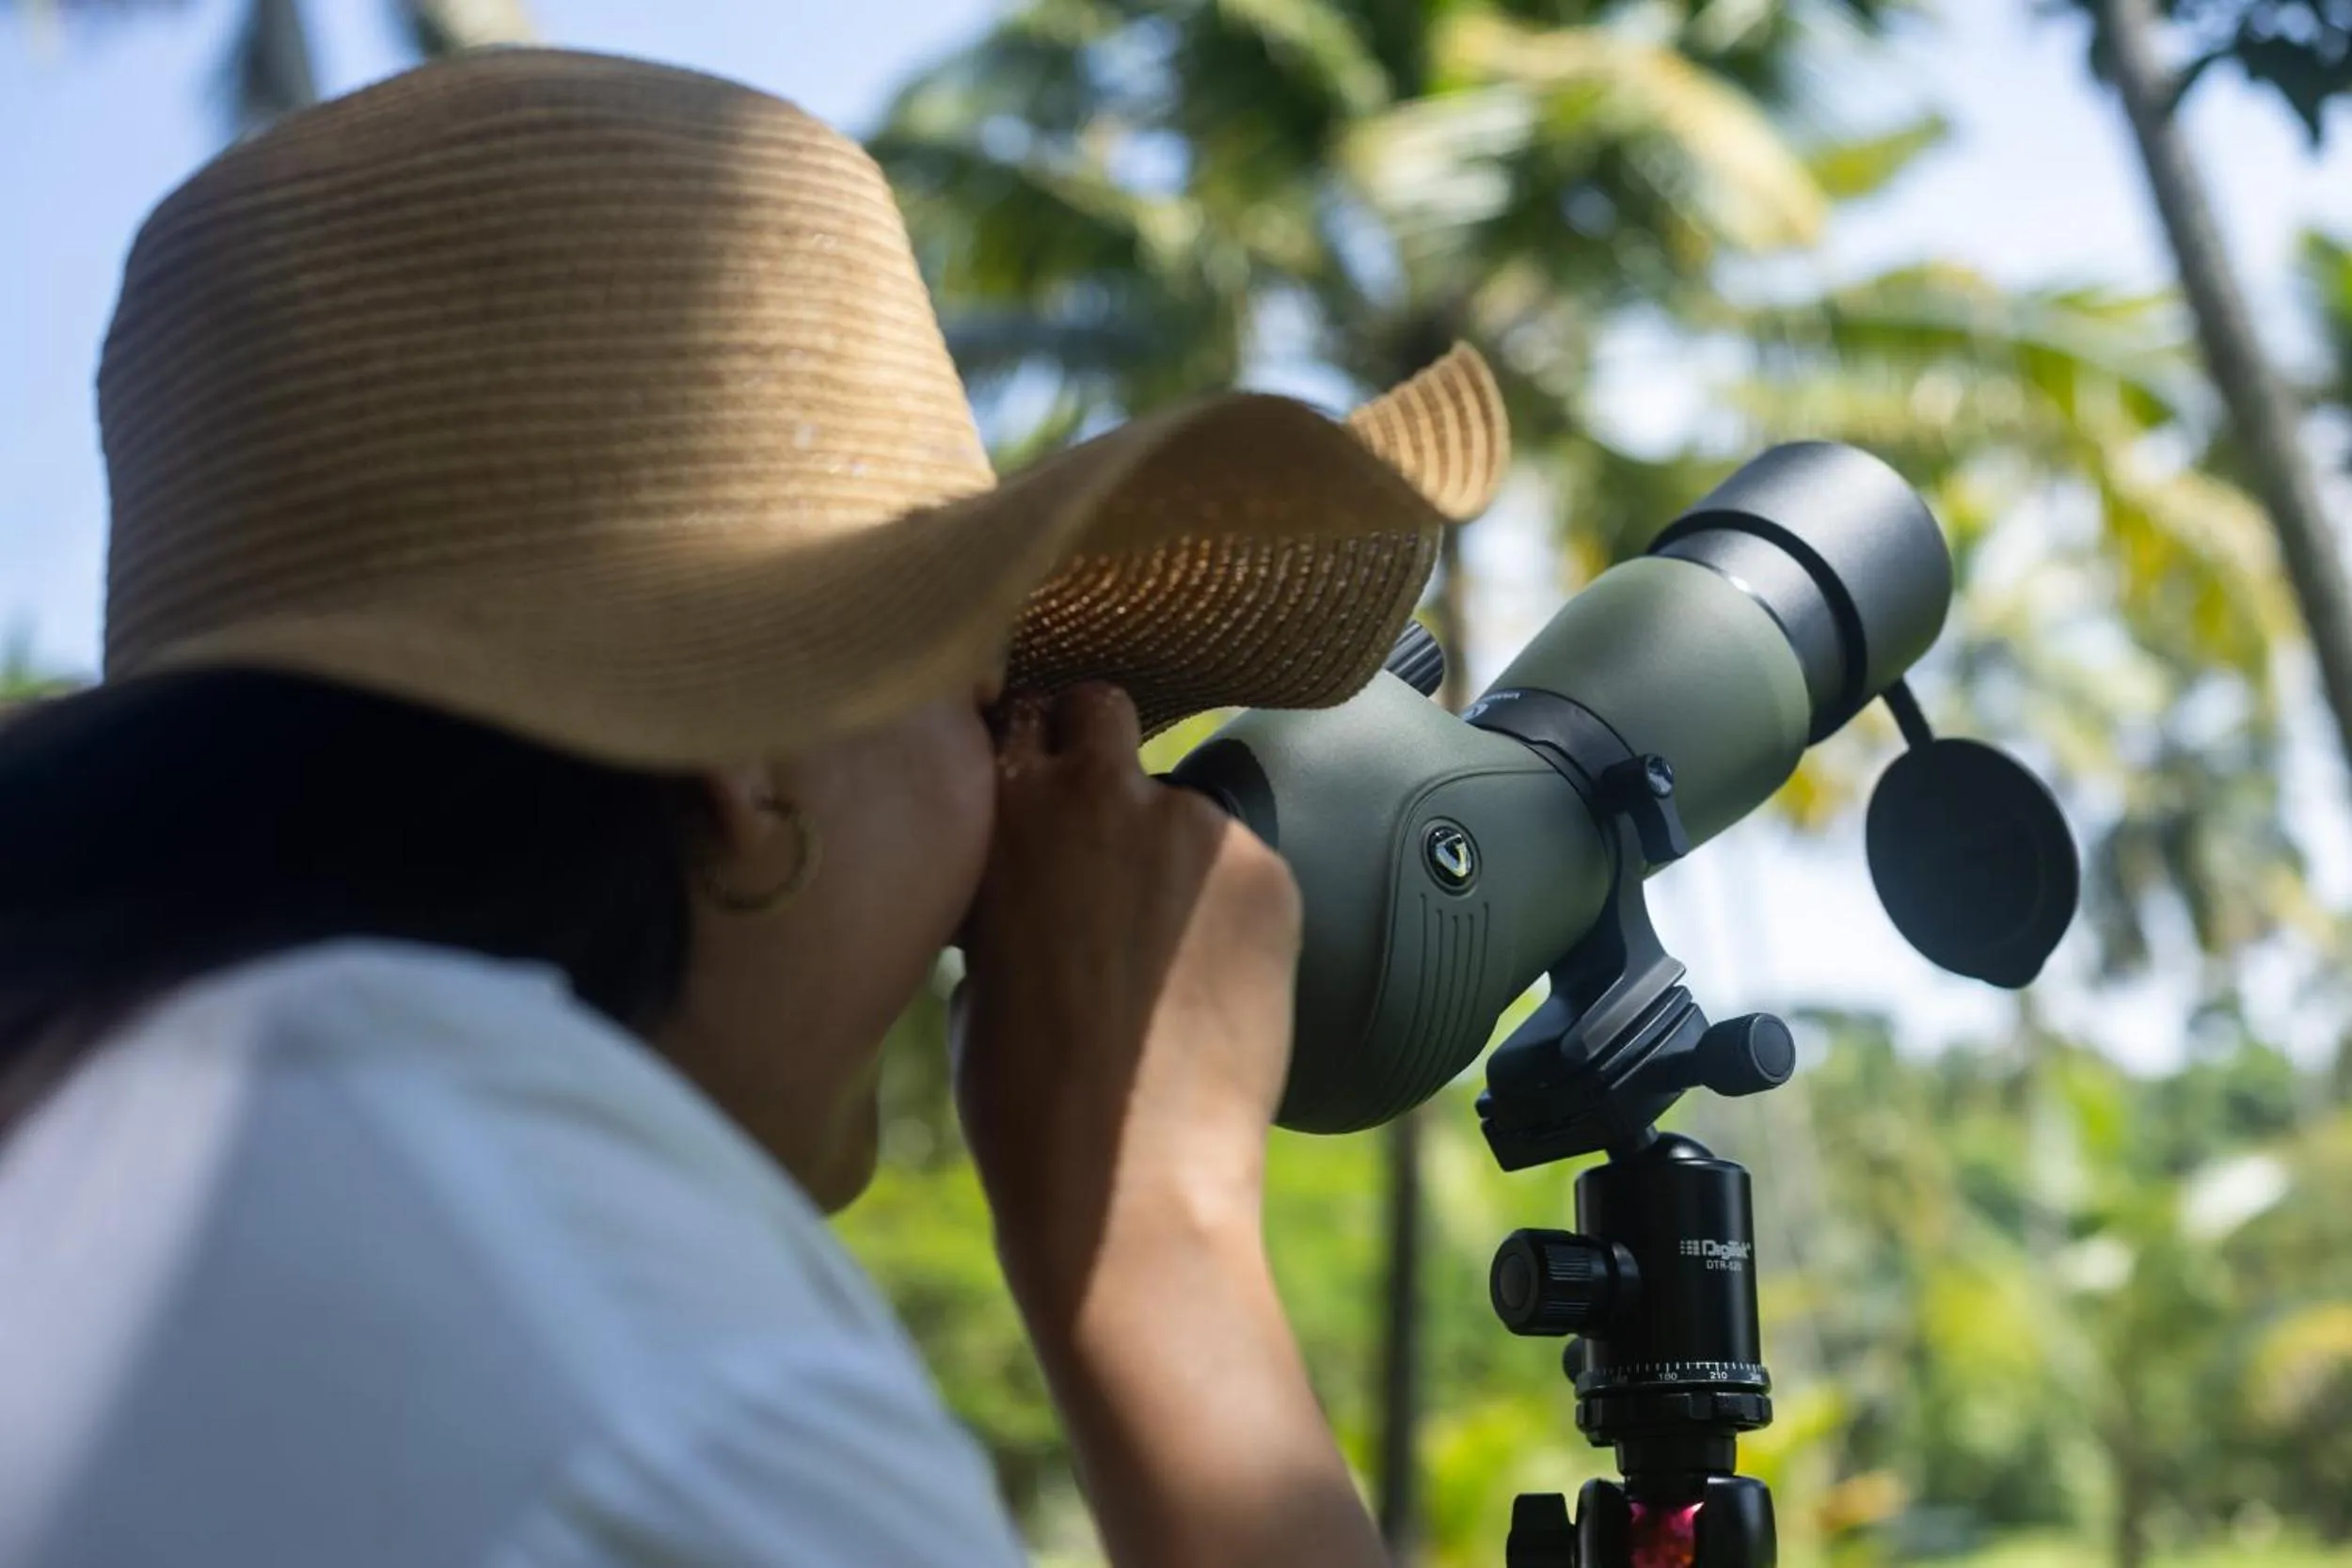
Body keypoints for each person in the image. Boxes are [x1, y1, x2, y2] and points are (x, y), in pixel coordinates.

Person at [0, 47, 1509, 1568]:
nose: (1035, 785)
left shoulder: (122, 1164)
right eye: (987, 699)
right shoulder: (619, 1333)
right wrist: (1155, 1224)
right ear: (752, 755)